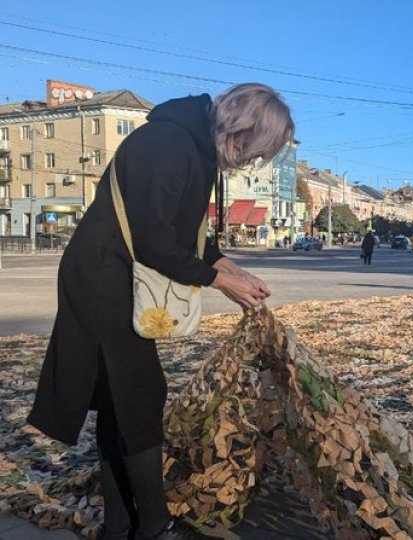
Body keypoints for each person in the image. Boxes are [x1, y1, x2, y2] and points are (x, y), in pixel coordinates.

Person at [27, 83, 294, 540]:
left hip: (115, 272)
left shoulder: (193, 145)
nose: (250, 162)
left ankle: (119, 525)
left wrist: (232, 269)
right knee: (139, 395)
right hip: (103, 276)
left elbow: (188, 233)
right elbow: (154, 241)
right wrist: (220, 281)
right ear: (241, 127)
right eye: (255, 151)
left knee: (119, 400)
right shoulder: (168, 142)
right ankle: (153, 525)